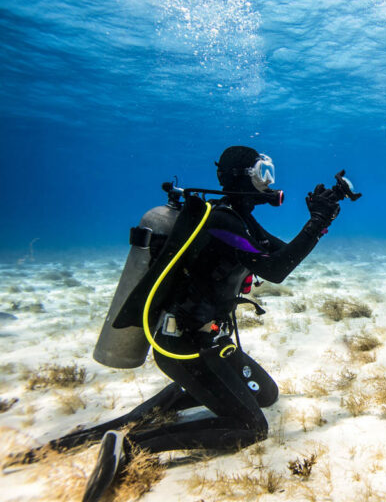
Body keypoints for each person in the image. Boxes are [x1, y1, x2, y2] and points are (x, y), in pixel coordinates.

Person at [8, 146, 352, 502]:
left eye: (270, 173)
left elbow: (280, 255)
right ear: (241, 177)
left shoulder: (240, 218)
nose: (269, 182)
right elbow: (276, 270)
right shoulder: (222, 221)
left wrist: (319, 220)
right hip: (185, 347)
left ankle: (173, 398)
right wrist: (315, 224)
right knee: (251, 428)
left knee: (267, 394)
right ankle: (132, 444)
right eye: (262, 173)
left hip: (213, 342)